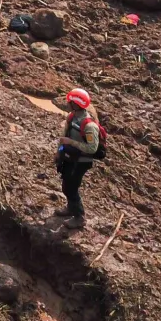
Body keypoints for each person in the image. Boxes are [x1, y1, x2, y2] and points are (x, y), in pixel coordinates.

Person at [55, 88, 104, 230]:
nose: (67, 103)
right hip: (69, 156)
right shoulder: (71, 117)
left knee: (71, 188)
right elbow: (64, 136)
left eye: (69, 102)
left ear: (76, 105)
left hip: (81, 161)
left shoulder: (89, 126)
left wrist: (72, 143)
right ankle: (71, 209)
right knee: (66, 184)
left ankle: (79, 217)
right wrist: (59, 152)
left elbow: (92, 149)